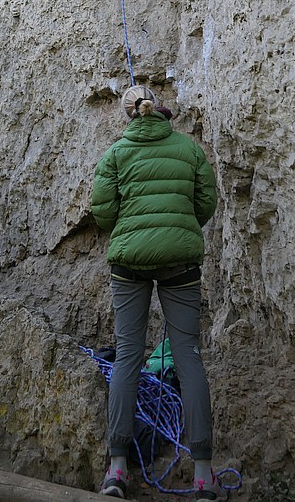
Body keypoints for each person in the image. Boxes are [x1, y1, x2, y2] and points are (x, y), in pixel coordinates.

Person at [91, 85, 224, 501]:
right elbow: (207, 202)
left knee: (129, 354)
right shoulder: (189, 149)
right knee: (188, 356)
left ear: (130, 115)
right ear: (161, 112)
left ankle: (116, 471)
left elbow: (102, 210)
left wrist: (131, 230)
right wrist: (179, 232)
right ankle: (203, 475)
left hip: (129, 264)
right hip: (181, 262)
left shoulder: (115, 154)